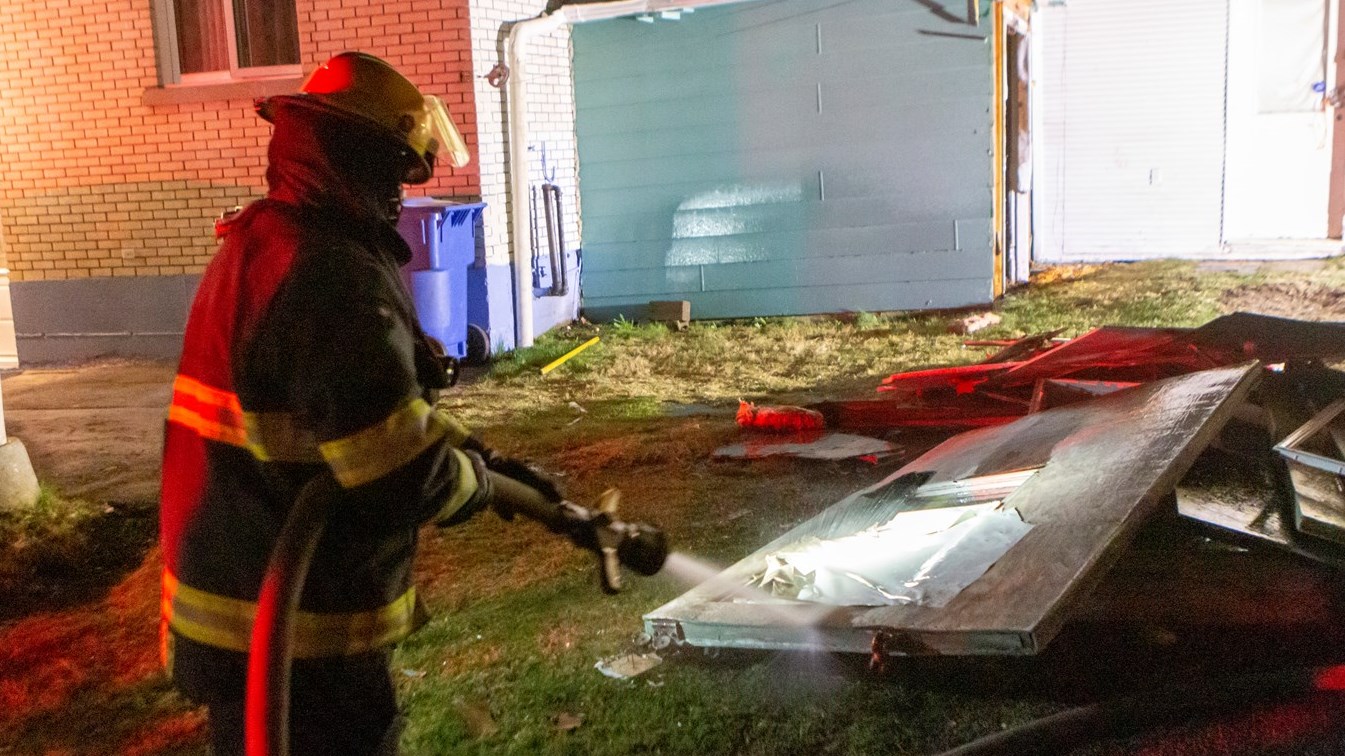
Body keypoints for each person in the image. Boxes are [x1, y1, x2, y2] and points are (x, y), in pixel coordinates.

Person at [158, 51, 556, 755]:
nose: (401, 193)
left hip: (244, 610)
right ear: (359, 160)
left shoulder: (267, 242)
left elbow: (372, 416)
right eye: (396, 172)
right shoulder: (331, 276)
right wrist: (480, 484)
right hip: (300, 637)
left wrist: (483, 456)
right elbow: (396, 472)